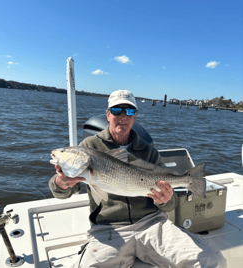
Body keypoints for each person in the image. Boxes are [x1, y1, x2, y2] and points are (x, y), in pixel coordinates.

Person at [49, 90, 226, 268]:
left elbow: (170, 204)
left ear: (135, 117)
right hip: (108, 229)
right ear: (108, 114)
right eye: (117, 110)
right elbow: (62, 192)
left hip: (152, 224)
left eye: (130, 112)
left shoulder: (149, 151)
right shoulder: (89, 146)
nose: (123, 117)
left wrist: (165, 200)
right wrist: (60, 183)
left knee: (212, 260)